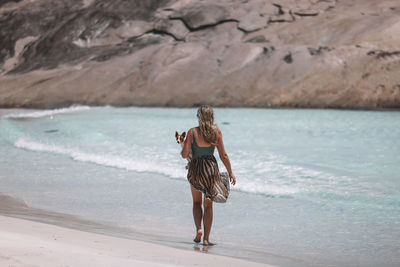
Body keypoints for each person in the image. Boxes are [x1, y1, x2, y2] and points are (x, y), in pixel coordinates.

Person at [181, 105, 236, 246]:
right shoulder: (216, 133)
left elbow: (184, 155)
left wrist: (184, 146)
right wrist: (230, 172)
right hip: (211, 170)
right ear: (211, 117)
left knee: (196, 202)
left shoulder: (192, 132)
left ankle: (198, 229)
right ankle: (205, 239)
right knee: (208, 205)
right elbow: (223, 155)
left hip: (196, 169)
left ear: (199, 117)